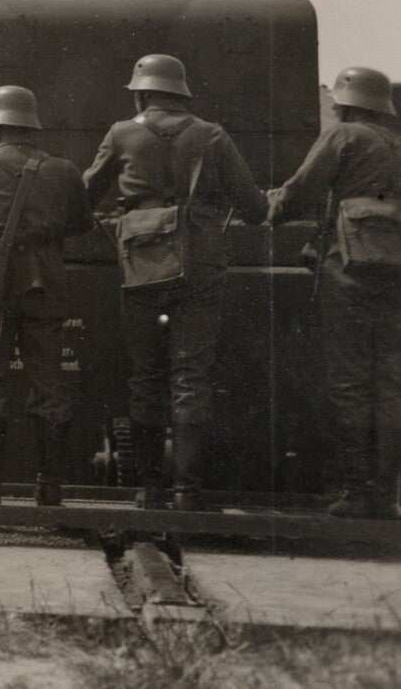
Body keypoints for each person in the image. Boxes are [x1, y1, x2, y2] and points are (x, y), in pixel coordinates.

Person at [85, 54, 268, 510]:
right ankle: (188, 491)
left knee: (145, 376)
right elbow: (252, 206)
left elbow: (83, 195)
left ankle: (149, 489)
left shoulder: (121, 133)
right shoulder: (212, 135)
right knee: (191, 375)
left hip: (143, 262)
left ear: (142, 93)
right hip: (201, 261)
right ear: (181, 92)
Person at [0, 86, 95, 506]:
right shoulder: (63, 170)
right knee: (48, 383)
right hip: (42, 284)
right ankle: (49, 488)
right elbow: (81, 223)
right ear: (32, 126)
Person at [268, 66, 401, 519]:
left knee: (350, 382)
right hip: (397, 273)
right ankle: (387, 495)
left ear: (346, 102)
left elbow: (299, 192)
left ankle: (357, 491)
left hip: (348, 269)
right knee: (390, 383)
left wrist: (267, 208)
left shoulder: (343, 136)